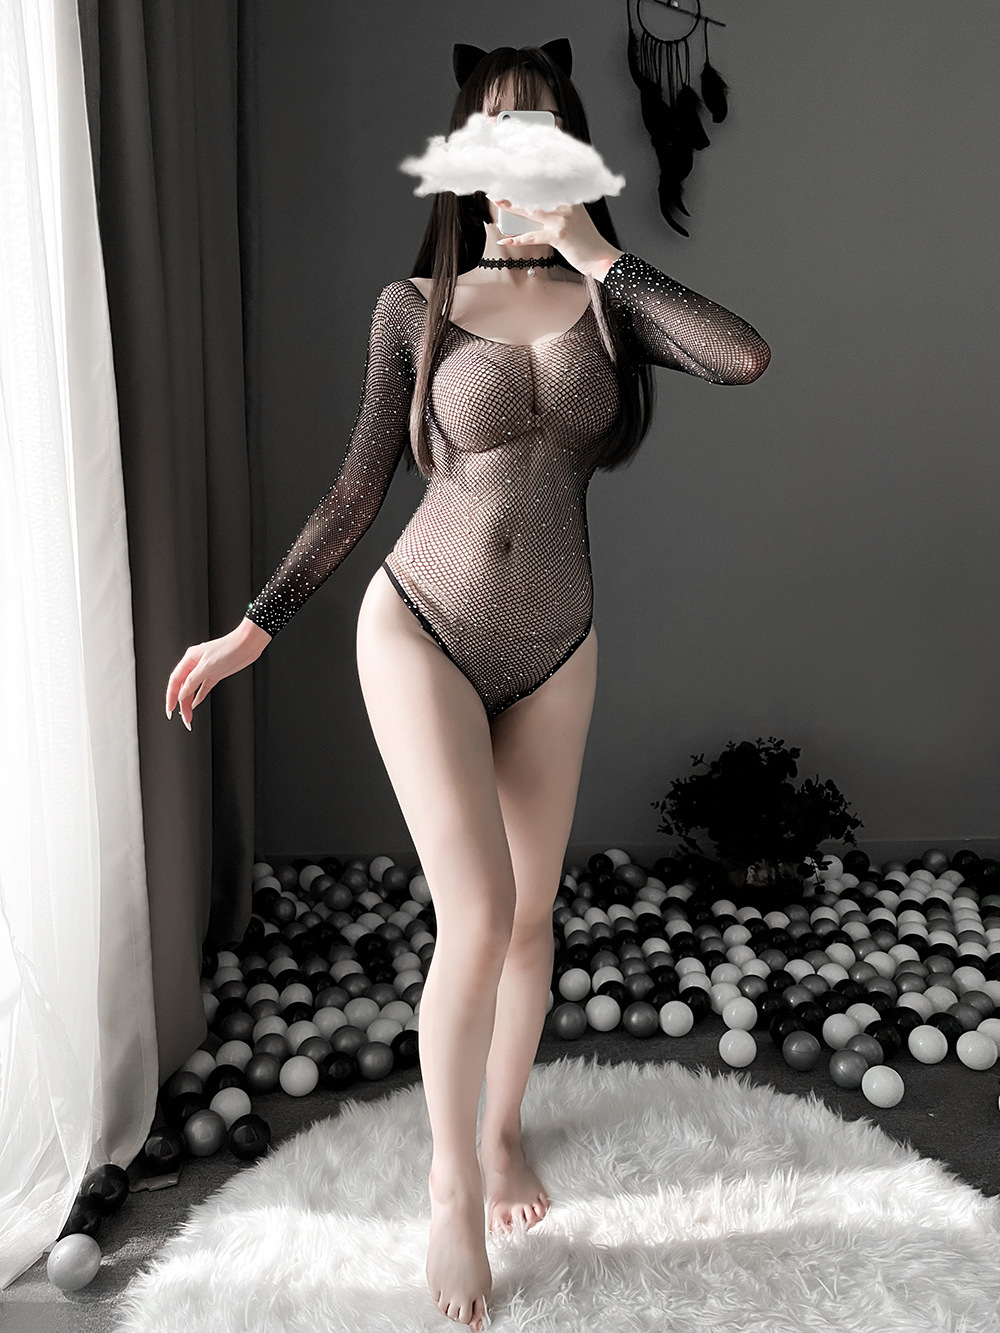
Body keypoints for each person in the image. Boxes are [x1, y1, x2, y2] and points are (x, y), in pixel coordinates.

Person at [165, 41, 770, 1333]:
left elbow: (743, 357)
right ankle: (450, 1189)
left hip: (556, 639)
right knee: (480, 911)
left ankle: (500, 1133)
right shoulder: (415, 305)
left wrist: (596, 251)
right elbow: (357, 487)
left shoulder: (610, 299)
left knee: (533, 919)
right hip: (421, 626)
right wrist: (256, 626)